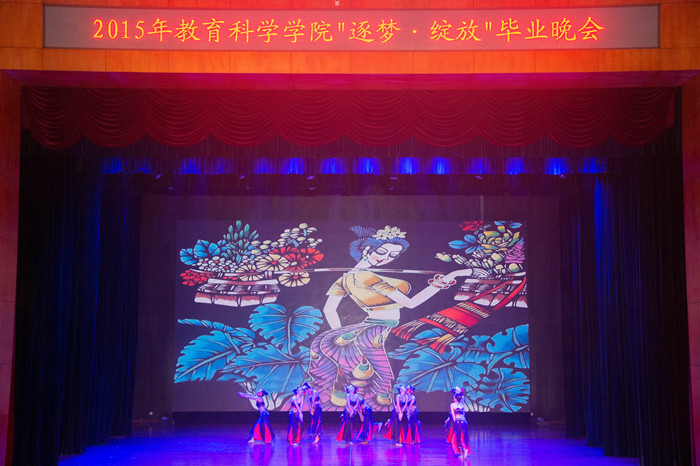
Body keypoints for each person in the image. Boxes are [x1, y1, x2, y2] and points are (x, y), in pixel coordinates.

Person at [308, 225, 472, 411]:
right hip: (380, 327)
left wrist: (339, 334)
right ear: (367, 250)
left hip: (370, 326)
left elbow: (329, 310)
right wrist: (452, 275)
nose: (386, 258)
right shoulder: (367, 276)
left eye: (393, 255)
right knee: (379, 373)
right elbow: (411, 303)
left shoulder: (344, 279)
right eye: (382, 252)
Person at [450, 387, 471, 459]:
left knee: (458, 436)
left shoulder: (452, 405)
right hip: (464, 421)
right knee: (464, 436)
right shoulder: (462, 405)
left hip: (458, 421)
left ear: (455, 398)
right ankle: (465, 449)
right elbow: (463, 413)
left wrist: (455, 423)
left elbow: (453, 415)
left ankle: (462, 451)